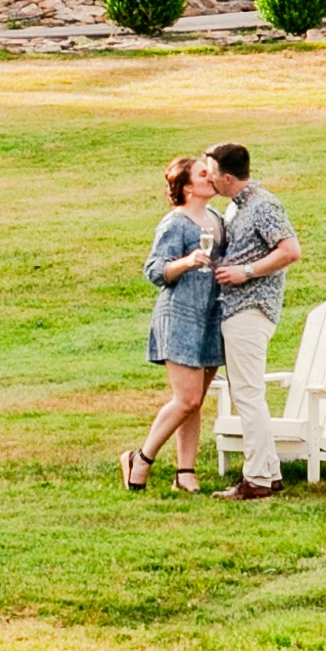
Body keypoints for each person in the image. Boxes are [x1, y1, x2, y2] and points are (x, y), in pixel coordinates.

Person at [201, 141, 300, 498]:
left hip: (251, 309)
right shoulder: (233, 209)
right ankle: (269, 473)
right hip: (235, 310)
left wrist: (246, 271)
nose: (207, 178)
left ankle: (255, 479)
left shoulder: (263, 205)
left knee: (247, 394)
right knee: (247, 393)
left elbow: (291, 251)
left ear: (227, 177)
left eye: (211, 172)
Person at [123, 156, 225, 491]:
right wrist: (186, 261)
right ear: (186, 186)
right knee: (187, 398)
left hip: (210, 317)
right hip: (179, 316)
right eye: (202, 173)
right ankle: (141, 458)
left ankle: (185, 473)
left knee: (194, 401)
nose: (210, 177)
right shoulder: (175, 223)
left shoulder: (217, 219)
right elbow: (154, 270)